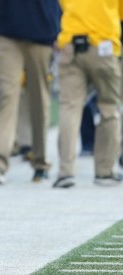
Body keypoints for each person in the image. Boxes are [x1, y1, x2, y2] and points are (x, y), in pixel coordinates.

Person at [0, 0, 61, 183]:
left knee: (39, 98)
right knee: (6, 95)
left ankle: (40, 161)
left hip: (42, 30)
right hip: (5, 29)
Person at [53, 0, 123, 188]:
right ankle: (104, 171)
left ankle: (65, 172)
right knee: (109, 108)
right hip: (103, 45)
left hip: (71, 45)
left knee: (70, 107)